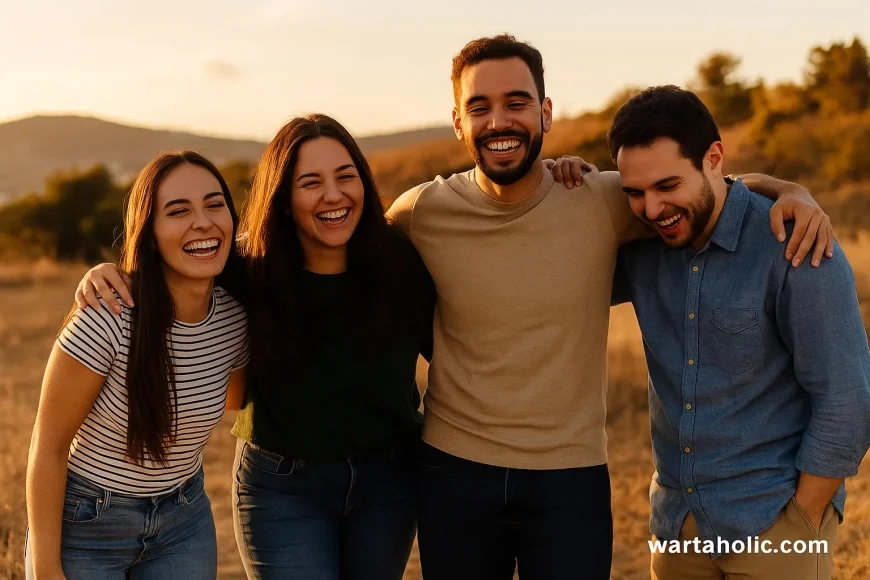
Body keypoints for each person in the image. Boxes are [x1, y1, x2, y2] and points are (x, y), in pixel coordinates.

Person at [385, 34, 834, 580]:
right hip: (454, 469)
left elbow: (707, 187)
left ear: (546, 112)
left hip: (569, 475)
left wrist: (790, 192)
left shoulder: (599, 198)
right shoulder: (421, 212)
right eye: (479, 107)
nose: (499, 121)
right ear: (458, 122)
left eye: (517, 102)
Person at [72, 114, 436, 580]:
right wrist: (106, 272)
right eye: (310, 182)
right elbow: (172, 268)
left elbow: (453, 354)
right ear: (282, 199)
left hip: (389, 485)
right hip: (284, 489)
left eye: (346, 176)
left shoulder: (402, 260)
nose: (333, 195)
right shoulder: (247, 269)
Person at [605, 85, 870, 580]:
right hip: (678, 526)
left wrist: (802, 520)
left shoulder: (794, 244)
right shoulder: (641, 245)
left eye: (667, 185)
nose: (653, 208)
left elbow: (847, 400)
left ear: (713, 159)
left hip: (774, 522)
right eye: (635, 193)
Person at [25, 150, 249, 580]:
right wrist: (46, 568)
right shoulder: (107, 315)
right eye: (178, 211)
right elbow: (48, 447)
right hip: (87, 522)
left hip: (183, 521)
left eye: (214, 204)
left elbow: (236, 400)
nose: (203, 222)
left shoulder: (235, 318)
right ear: (149, 233)